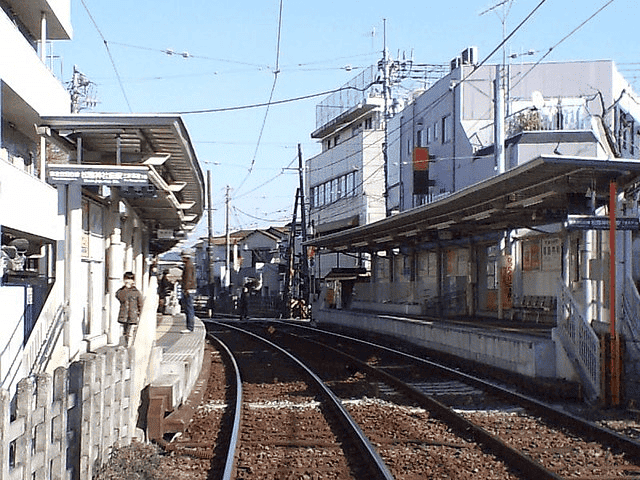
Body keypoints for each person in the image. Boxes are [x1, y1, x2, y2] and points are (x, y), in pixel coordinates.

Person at [116, 271, 143, 346]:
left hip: (133, 315)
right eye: (126, 279)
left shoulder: (136, 292)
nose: (128, 281)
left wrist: (140, 315)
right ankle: (125, 346)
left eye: (130, 279)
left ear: (133, 280)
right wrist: (125, 288)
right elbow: (120, 297)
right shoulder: (121, 291)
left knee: (130, 333)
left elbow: (140, 304)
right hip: (123, 315)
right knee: (124, 332)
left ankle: (129, 346)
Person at [180, 251, 196, 333]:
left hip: (189, 289)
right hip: (190, 289)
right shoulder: (190, 264)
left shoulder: (188, 266)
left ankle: (190, 327)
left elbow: (188, 279)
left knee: (189, 308)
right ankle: (189, 326)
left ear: (185, 257)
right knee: (189, 308)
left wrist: (186, 289)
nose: (181, 259)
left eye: (182, 257)